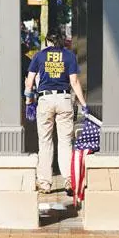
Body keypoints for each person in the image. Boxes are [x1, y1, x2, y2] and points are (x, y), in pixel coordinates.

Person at [24, 32, 88, 195]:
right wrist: (83, 103)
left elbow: (29, 81)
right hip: (64, 99)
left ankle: (45, 183)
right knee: (65, 142)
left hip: (45, 101)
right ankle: (68, 181)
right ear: (61, 41)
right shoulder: (69, 56)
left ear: (47, 41)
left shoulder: (39, 56)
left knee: (45, 142)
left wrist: (28, 102)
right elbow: (74, 81)